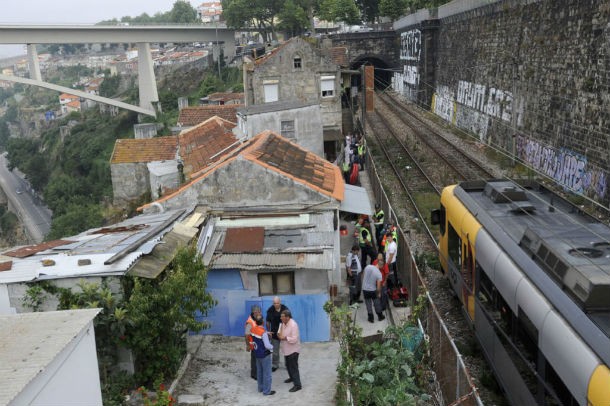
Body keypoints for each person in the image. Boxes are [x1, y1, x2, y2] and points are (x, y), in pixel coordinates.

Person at [277, 309, 302, 392]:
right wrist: (279, 334)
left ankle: (298, 385)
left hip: (293, 350)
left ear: (287, 317)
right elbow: (279, 333)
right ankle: (292, 378)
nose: (281, 318)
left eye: (282, 316)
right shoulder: (283, 324)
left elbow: (294, 339)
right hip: (286, 349)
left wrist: (284, 338)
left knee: (293, 367)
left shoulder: (293, 325)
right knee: (288, 365)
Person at [251, 315, 276, 396]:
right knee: (267, 373)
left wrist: (266, 333)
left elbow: (255, 337)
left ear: (255, 322)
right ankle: (267, 391)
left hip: (257, 354)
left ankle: (260, 388)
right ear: (263, 322)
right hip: (265, 355)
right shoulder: (263, 333)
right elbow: (267, 346)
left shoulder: (253, 329)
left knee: (259, 371)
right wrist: (273, 347)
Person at [266, 297, 288, 372]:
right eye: (274, 303)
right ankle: (275, 364)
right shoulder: (270, 310)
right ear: (273, 303)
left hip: (284, 333)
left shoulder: (285, 309)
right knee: (275, 351)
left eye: (277, 303)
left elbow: (289, 320)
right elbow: (268, 322)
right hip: (274, 333)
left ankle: (288, 364)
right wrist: (269, 332)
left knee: (286, 349)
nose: (276, 305)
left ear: (280, 302)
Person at [245, 305, 262, 380]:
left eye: (259, 311)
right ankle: (254, 374)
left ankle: (256, 372)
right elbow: (246, 335)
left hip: (257, 342)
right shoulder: (250, 322)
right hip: (253, 343)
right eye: (257, 312)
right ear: (253, 312)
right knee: (254, 359)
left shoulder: (256, 319)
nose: (259, 313)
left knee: (257, 358)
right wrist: (248, 345)